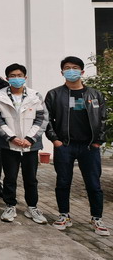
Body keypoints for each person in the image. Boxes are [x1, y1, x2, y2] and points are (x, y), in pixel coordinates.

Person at [45, 56, 110, 236]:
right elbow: (46, 120)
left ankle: (97, 218)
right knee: (63, 182)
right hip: (65, 145)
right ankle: (64, 215)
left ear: (82, 71)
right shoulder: (54, 94)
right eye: (67, 68)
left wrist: (98, 141)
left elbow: (103, 119)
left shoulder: (95, 94)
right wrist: (55, 140)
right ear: (62, 72)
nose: (71, 71)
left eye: (75, 67)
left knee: (94, 184)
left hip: (89, 147)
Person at [0, 63, 48, 224]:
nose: (16, 78)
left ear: (25, 77)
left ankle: (32, 207)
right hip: (9, 145)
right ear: (7, 78)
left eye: (19, 76)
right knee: (10, 177)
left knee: (31, 178)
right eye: (13, 76)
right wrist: (11, 137)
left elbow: (42, 118)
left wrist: (30, 138)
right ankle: (10, 205)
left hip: (30, 145)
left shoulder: (35, 95)